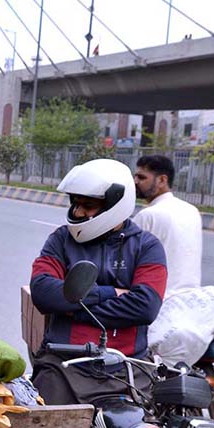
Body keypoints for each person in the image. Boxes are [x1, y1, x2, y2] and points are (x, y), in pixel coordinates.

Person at [30, 159, 168, 406]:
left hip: (127, 367)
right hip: (63, 363)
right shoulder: (61, 240)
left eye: (88, 205)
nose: (78, 212)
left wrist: (71, 307)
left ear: (116, 203)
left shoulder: (147, 247)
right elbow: (42, 292)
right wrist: (111, 293)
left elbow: (145, 306)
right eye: (75, 203)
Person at [133, 155, 202, 294]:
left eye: (141, 177)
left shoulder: (148, 215)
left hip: (158, 301)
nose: (135, 181)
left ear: (162, 180)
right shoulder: (191, 210)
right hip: (190, 300)